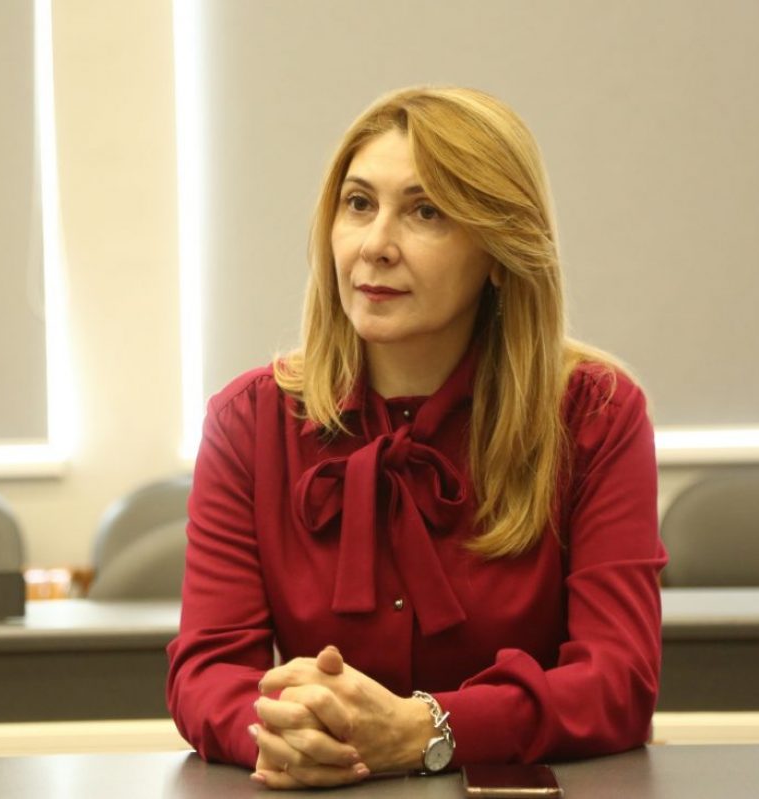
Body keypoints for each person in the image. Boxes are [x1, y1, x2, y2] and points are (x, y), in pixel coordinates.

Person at [166, 85, 666, 790]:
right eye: (358, 204)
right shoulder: (248, 423)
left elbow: (617, 680)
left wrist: (426, 728)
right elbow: (208, 671)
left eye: (426, 211)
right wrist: (292, 730)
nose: (375, 246)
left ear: (499, 251)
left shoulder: (595, 416)